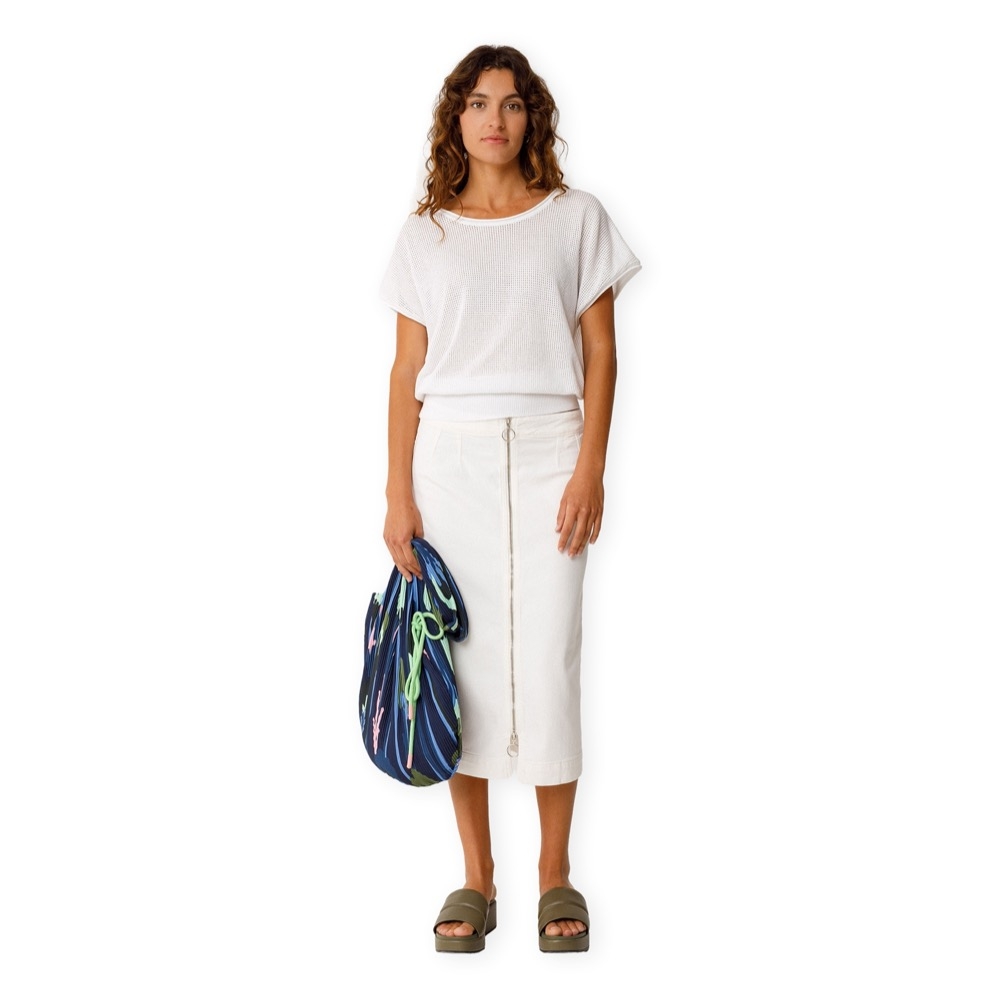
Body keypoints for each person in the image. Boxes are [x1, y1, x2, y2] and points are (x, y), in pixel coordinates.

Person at [379, 44, 640, 954]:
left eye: (514, 103)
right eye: (479, 102)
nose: (496, 119)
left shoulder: (576, 218)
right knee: (464, 666)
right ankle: (477, 876)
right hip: (447, 460)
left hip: (551, 450)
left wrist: (591, 466)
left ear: (534, 118)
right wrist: (396, 491)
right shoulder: (426, 234)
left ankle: (555, 870)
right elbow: (406, 371)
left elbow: (600, 350)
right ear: (456, 118)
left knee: (549, 657)